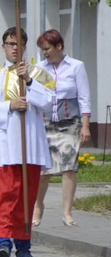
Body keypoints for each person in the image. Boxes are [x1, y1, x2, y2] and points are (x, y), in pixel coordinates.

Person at [0, 28, 54, 257]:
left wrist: (29, 82)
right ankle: (3, 241)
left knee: (25, 197)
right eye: (10, 44)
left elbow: (49, 103)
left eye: (19, 44)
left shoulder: (38, 73)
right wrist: (9, 106)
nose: (14, 48)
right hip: (4, 146)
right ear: (3, 46)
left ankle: (23, 246)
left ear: (25, 46)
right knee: (3, 195)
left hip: (29, 145)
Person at [34, 29, 90, 228]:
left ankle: (67, 212)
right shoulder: (39, 68)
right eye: (42, 49)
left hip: (69, 123)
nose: (45, 53)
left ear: (59, 46)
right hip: (45, 123)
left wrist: (85, 126)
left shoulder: (76, 66)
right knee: (43, 171)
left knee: (69, 168)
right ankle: (38, 206)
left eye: (47, 48)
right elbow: (34, 95)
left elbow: (83, 97)